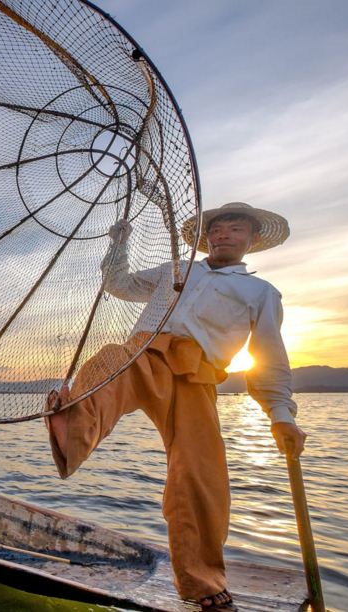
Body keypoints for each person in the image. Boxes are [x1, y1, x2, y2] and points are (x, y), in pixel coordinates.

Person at [45, 202, 306, 611]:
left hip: (196, 377)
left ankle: (203, 585)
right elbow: (121, 284)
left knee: (200, 475)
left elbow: (270, 360)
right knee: (108, 362)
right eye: (216, 230)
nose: (222, 235)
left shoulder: (261, 293)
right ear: (207, 237)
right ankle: (71, 424)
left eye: (234, 230)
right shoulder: (176, 270)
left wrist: (281, 417)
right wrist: (118, 243)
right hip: (143, 355)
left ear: (251, 240)